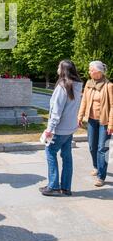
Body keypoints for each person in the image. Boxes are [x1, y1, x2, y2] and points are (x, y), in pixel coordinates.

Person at [39, 60, 83, 197]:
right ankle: (65, 187)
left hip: (59, 129)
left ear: (63, 70)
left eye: (59, 67)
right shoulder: (77, 85)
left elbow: (56, 111)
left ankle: (53, 186)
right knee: (67, 157)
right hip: (70, 128)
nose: (57, 69)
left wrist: (49, 130)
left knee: (50, 153)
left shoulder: (63, 86)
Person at [78, 61, 113, 187]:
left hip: (105, 121)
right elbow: (84, 101)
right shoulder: (89, 83)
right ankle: (96, 166)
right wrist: (80, 116)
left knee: (102, 148)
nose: (89, 72)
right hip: (92, 120)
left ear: (98, 71)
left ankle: (101, 177)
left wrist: (111, 124)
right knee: (92, 146)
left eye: (90, 70)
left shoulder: (109, 86)